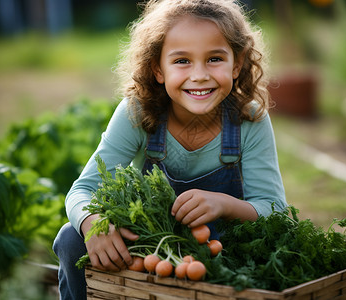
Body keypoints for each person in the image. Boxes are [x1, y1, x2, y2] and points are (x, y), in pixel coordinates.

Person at [53, 0, 287, 298]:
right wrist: (92, 222)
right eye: (182, 61)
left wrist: (225, 204)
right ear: (158, 69)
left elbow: (276, 210)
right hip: (148, 247)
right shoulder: (138, 112)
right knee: (71, 238)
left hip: (224, 253)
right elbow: (82, 190)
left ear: (237, 64)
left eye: (215, 58)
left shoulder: (248, 119)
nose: (199, 74)